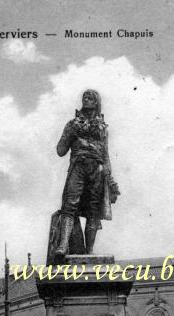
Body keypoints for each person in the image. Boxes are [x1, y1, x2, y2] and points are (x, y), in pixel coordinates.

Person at [52, 89, 120, 261]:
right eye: (84, 97)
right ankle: (63, 245)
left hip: (97, 170)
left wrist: (110, 179)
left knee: (93, 211)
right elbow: (60, 150)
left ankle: (89, 251)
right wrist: (70, 134)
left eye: (90, 98)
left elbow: (106, 154)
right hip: (78, 166)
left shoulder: (103, 128)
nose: (86, 100)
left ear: (97, 102)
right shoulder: (72, 124)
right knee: (69, 205)